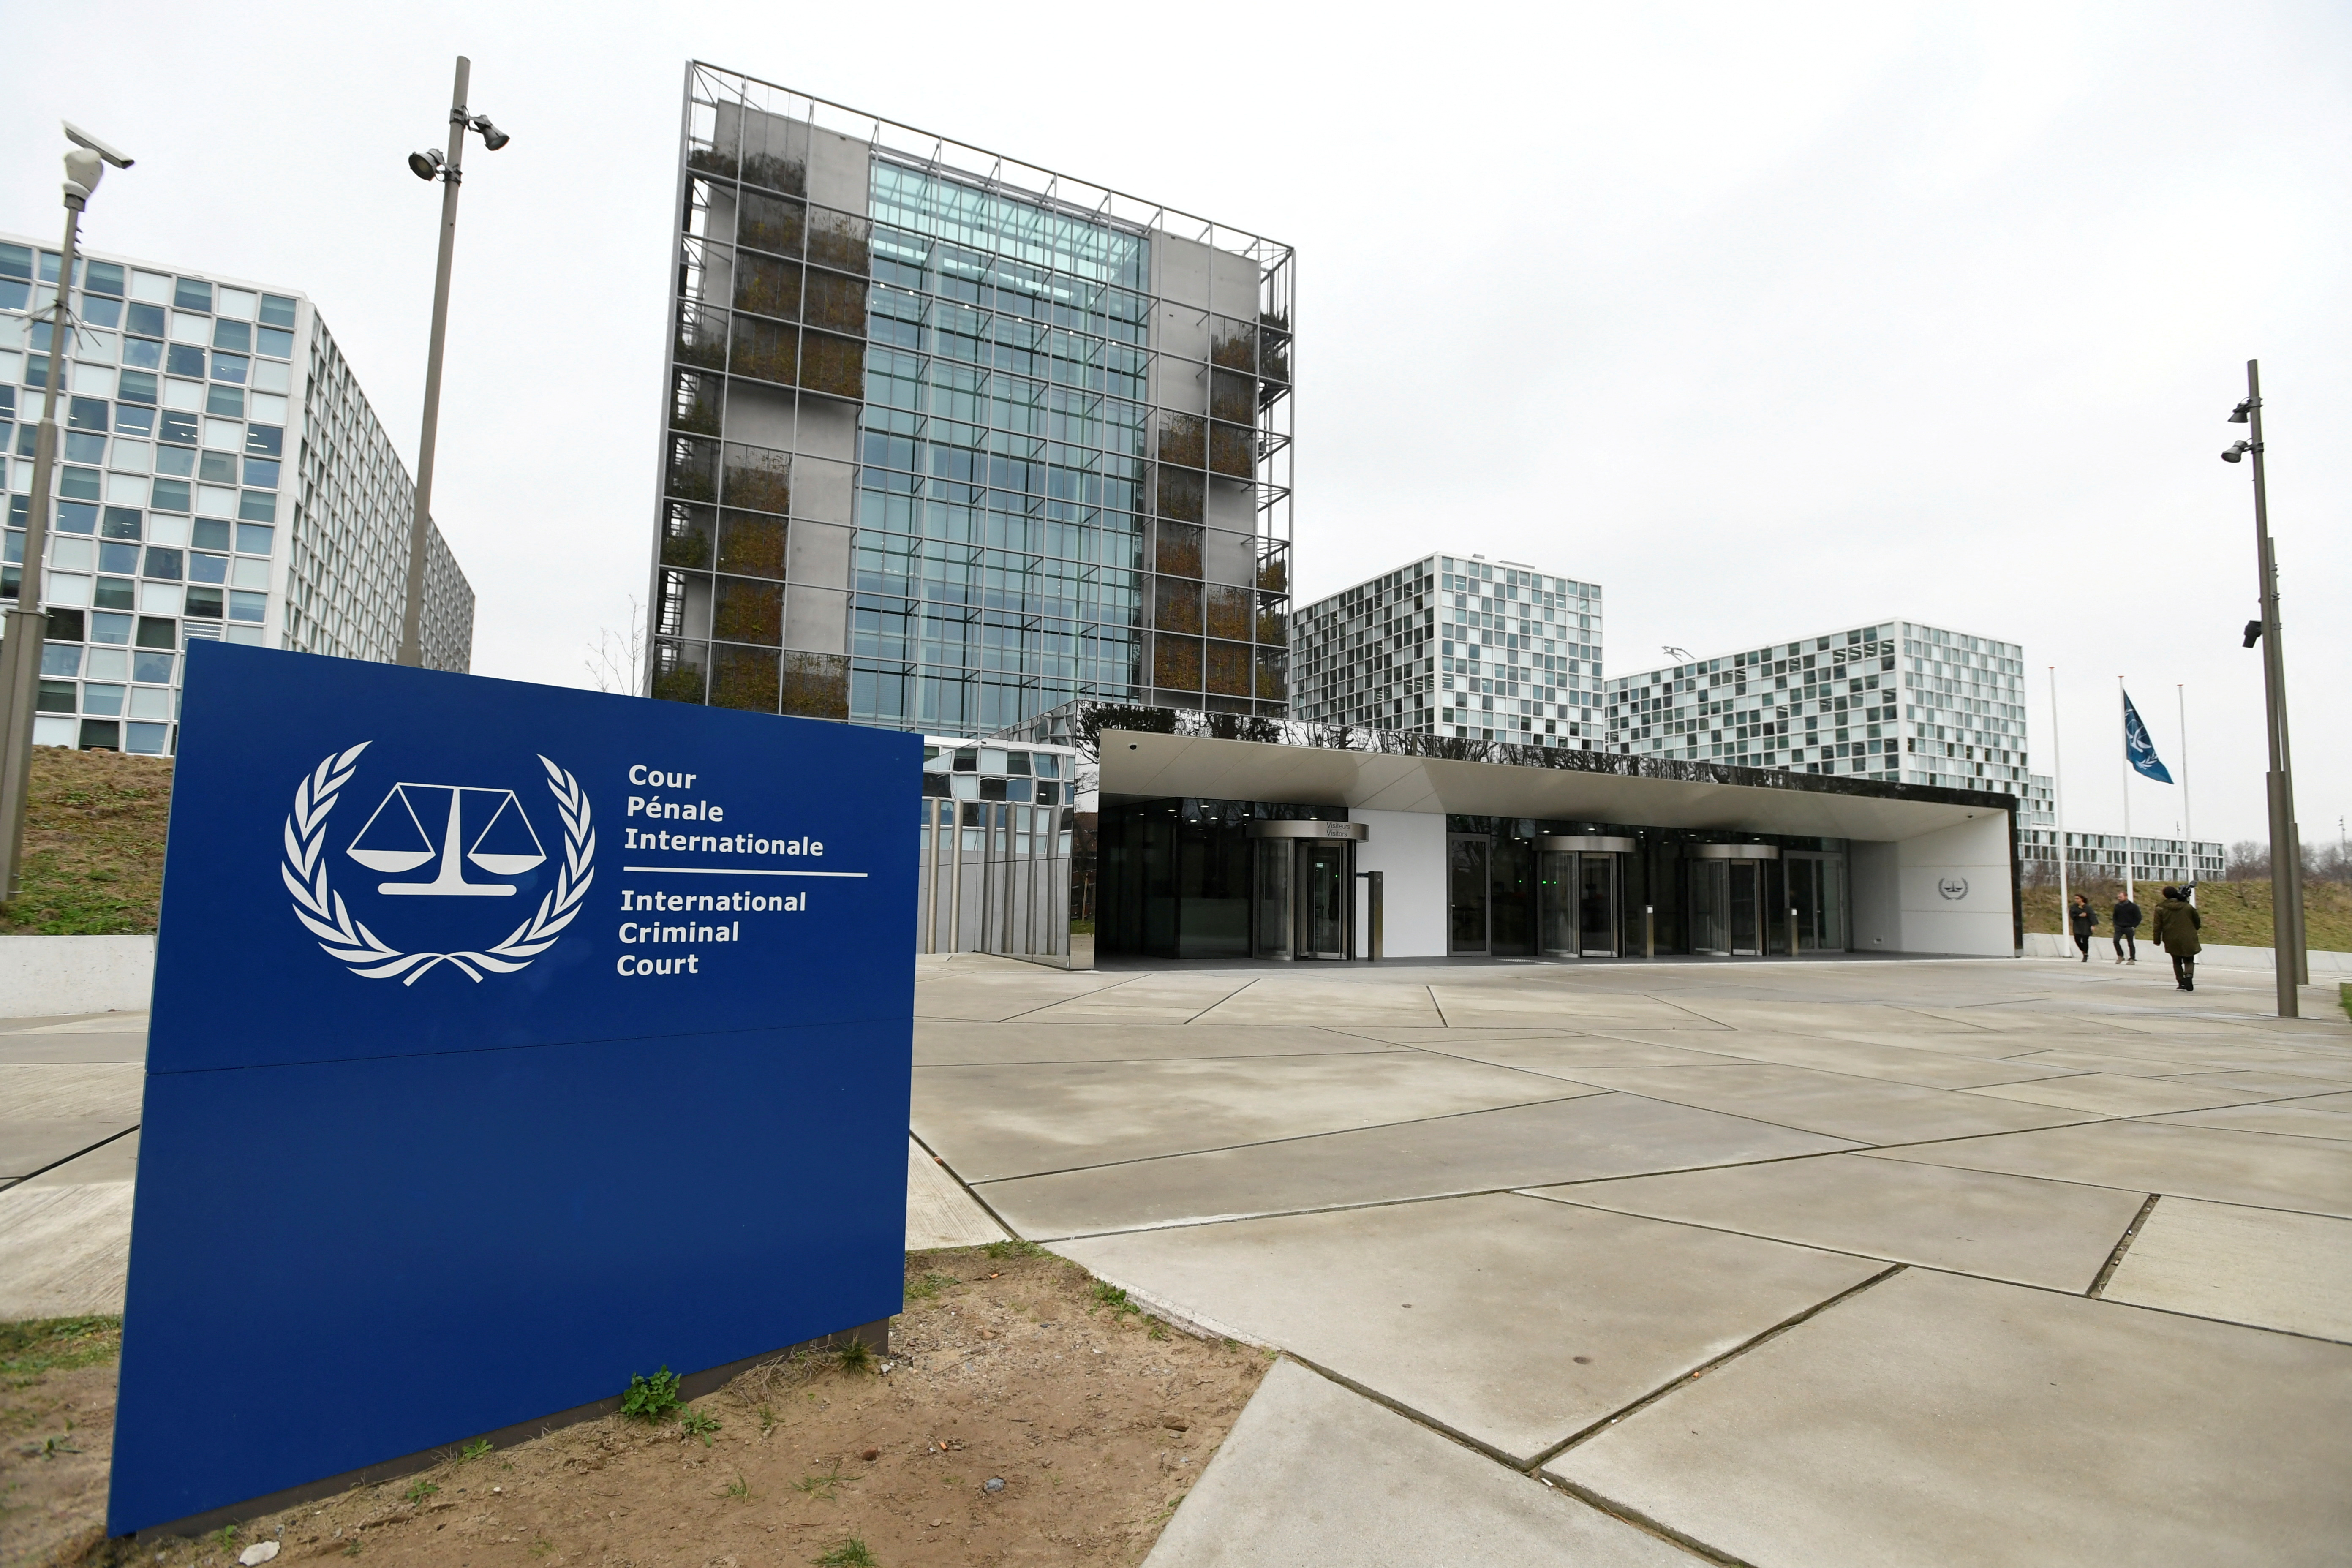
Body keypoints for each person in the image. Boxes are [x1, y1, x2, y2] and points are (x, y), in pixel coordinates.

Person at [2151, 885, 2201, 991]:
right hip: (2188, 937)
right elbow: (2197, 921)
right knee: (2189, 959)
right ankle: (2189, 976)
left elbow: (2157, 926)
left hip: (2171, 938)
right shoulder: (2187, 907)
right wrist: (2195, 928)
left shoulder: (2161, 908)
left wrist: (2157, 940)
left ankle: (2181, 982)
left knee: (2176, 961)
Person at [2112, 892, 2142, 965]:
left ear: (2126, 897)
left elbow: (2139, 917)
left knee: (2131, 944)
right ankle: (2120, 955)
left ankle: (2132, 958)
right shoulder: (2117, 906)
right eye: (2119, 897)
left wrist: (2134, 926)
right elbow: (2115, 916)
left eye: (2121, 897)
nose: (2119, 899)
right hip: (2119, 927)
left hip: (2129, 927)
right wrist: (2115, 924)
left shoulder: (2133, 907)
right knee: (2116, 941)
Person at [2067, 892, 2098, 961]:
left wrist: (2093, 925)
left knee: (2085, 940)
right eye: (2075, 899)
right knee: (2077, 939)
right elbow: (2072, 915)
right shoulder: (2074, 907)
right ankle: (2083, 951)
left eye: (2078, 899)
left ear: (2082, 899)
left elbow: (2092, 916)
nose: (2076, 900)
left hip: (2086, 925)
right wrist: (2079, 916)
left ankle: (2085, 955)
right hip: (2078, 925)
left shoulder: (2088, 907)